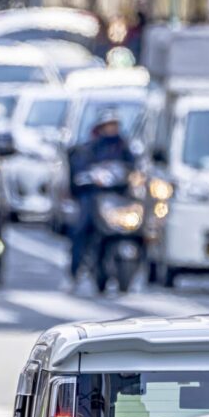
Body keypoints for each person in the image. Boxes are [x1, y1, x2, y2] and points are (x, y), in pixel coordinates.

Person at [67, 111, 135, 288]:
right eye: (108, 125)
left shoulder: (125, 148)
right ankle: (76, 267)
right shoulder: (90, 148)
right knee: (81, 226)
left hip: (117, 199)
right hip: (93, 196)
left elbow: (134, 170)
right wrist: (90, 177)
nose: (112, 129)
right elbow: (78, 172)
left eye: (115, 125)